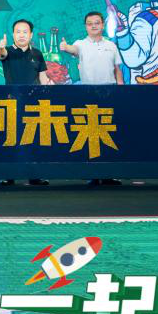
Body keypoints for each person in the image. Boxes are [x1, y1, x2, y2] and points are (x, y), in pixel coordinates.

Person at [60, 11, 123, 186]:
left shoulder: (111, 45)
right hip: (88, 94)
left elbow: (117, 70)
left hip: (109, 92)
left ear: (103, 25)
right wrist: (66, 47)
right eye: (90, 23)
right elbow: (73, 49)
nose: (94, 26)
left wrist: (121, 88)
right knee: (91, 134)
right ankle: (93, 173)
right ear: (86, 26)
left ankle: (108, 174)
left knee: (109, 133)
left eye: (97, 23)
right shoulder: (81, 44)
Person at [0, 18, 50, 188]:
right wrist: (1, 47)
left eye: (25, 32)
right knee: (11, 140)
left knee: (33, 140)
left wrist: (47, 93)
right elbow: (2, 54)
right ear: (13, 34)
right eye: (18, 32)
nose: (21, 35)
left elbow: (43, 77)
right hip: (12, 102)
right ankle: (9, 176)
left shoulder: (37, 54)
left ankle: (34, 176)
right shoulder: (8, 51)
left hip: (33, 103)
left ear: (31, 35)